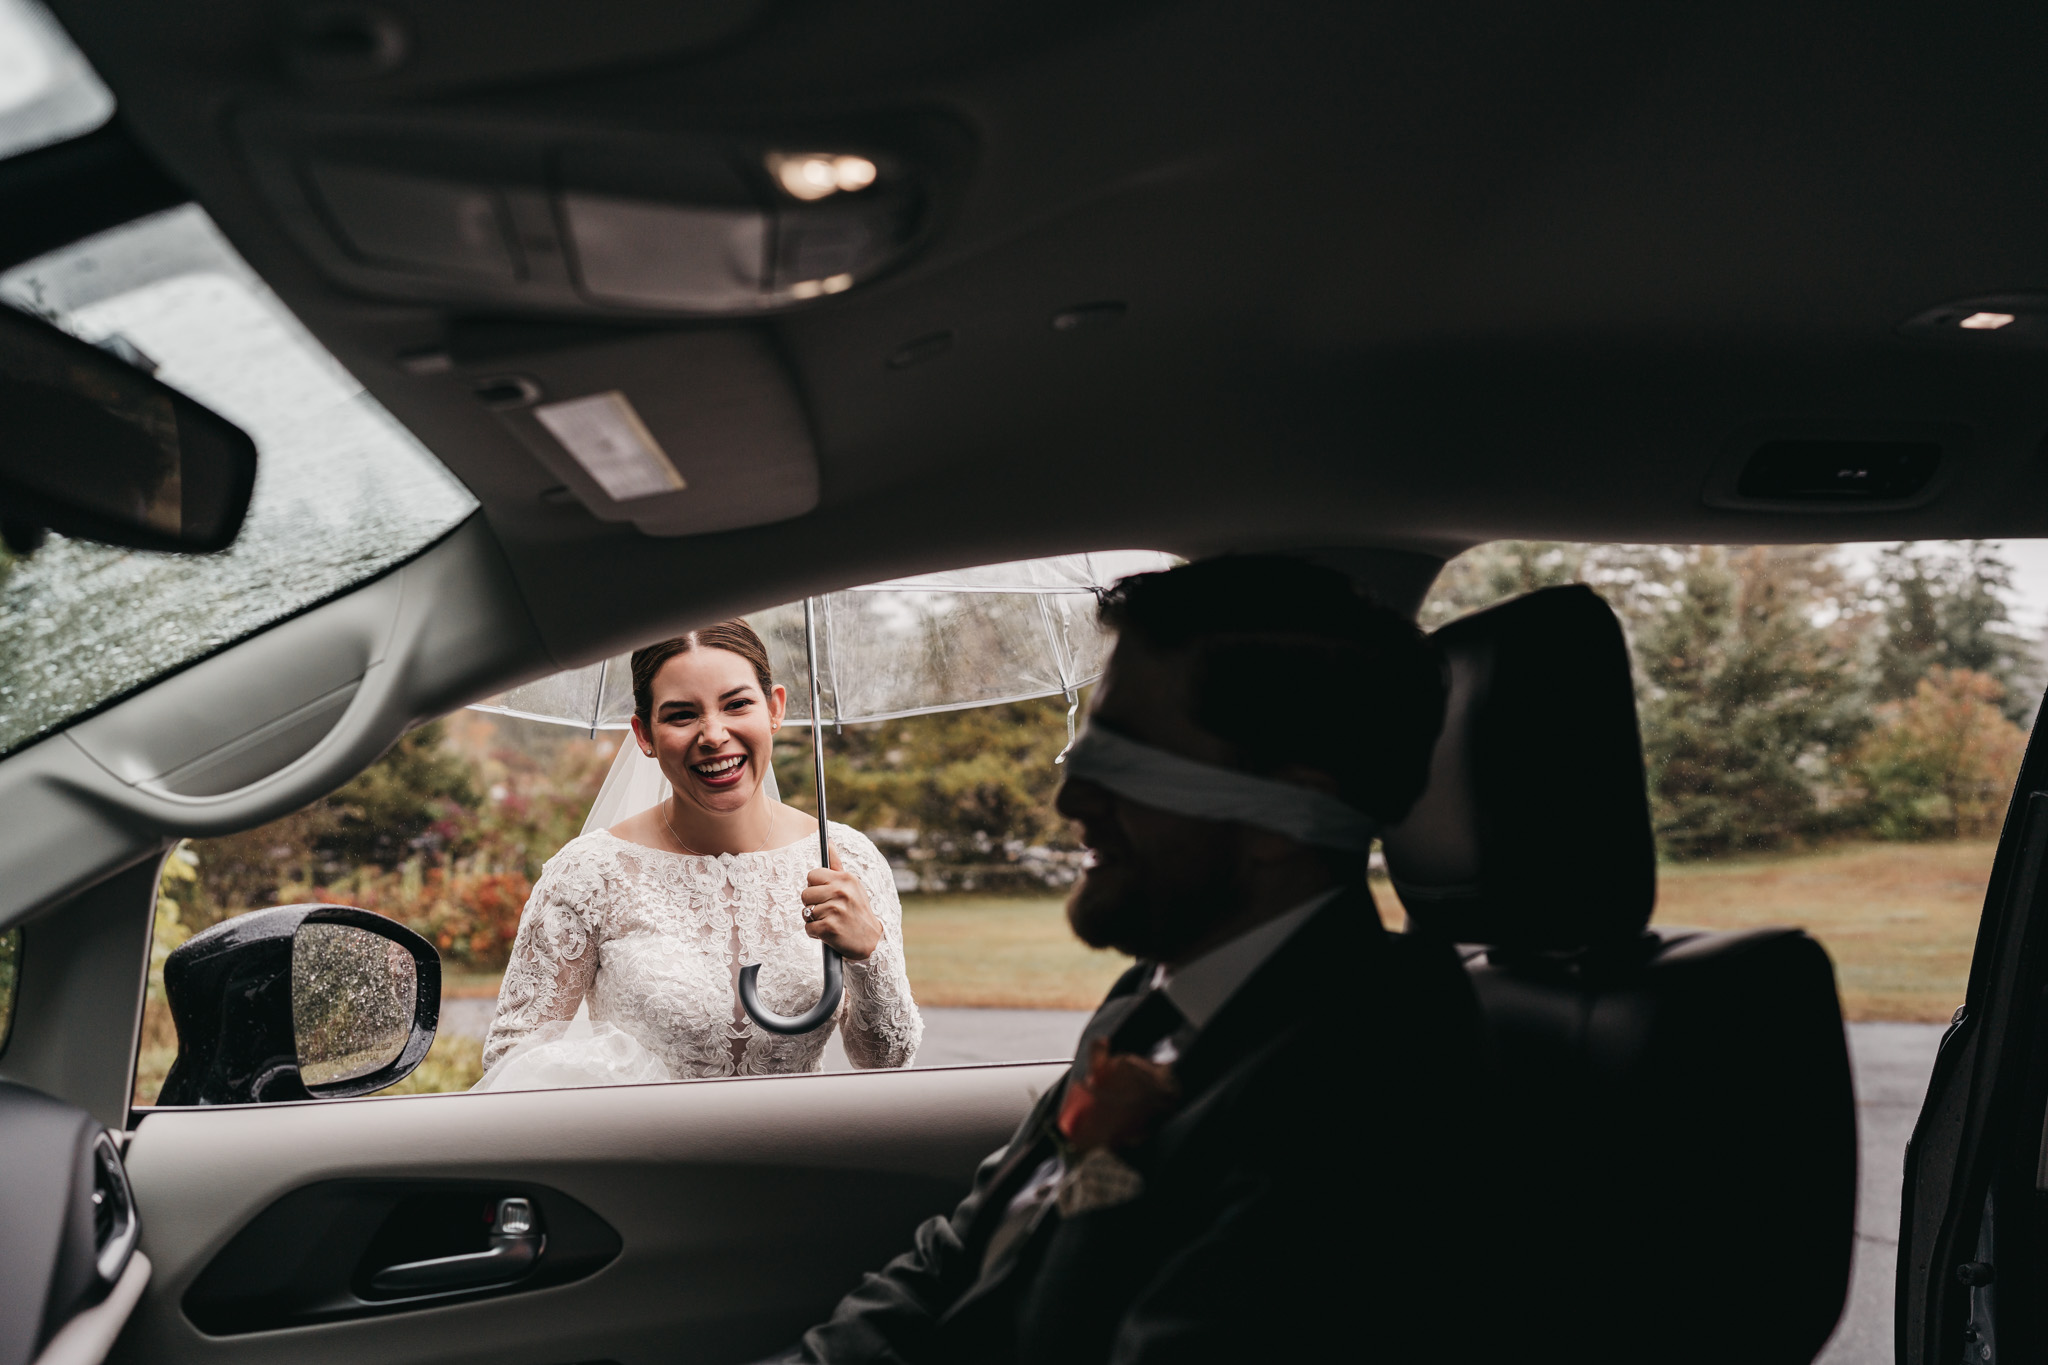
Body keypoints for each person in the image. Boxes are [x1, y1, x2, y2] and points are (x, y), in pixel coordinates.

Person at [759, 556, 1485, 1363]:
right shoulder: (1156, 992)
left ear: (1284, 819)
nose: (1070, 800)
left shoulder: (1365, 1079)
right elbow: (964, 1254)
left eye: (1126, 760)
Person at [477, 621, 922, 1088]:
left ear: (775, 709)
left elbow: (884, 1064)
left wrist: (869, 953)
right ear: (644, 735)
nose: (713, 735)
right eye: (681, 715)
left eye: (737, 704)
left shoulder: (846, 859)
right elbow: (511, 1065)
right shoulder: (589, 874)